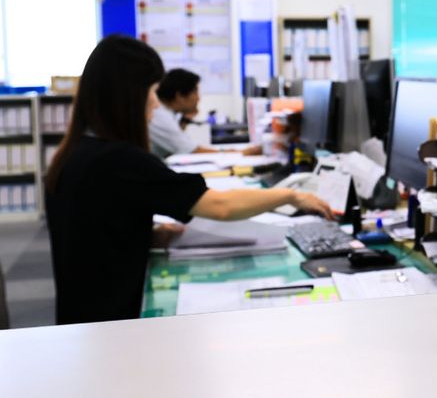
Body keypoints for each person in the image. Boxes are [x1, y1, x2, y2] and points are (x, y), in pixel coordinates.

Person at [45, 35, 333, 325]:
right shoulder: (120, 161)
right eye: (151, 91)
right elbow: (220, 206)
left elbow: (97, 232)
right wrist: (291, 195)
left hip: (84, 319)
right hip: (112, 328)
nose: (155, 104)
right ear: (127, 96)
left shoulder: (76, 154)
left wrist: (147, 234)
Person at [149, 68, 261, 158]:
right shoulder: (160, 117)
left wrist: (186, 119)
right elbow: (193, 150)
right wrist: (240, 153)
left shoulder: (167, 113)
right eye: (195, 92)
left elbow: (181, 141)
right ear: (180, 96)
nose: (198, 98)